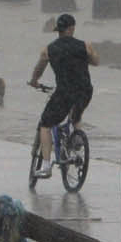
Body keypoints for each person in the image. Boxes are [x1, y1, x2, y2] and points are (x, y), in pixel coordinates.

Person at [28, 13, 96, 172]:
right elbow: (96, 61)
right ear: (72, 28)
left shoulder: (49, 49)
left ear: (58, 30)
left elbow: (38, 69)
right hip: (85, 90)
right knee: (76, 115)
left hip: (65, 91)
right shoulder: (85, 45)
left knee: (46, 124)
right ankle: (78, 140)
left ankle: (45, 165)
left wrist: (34, 81)